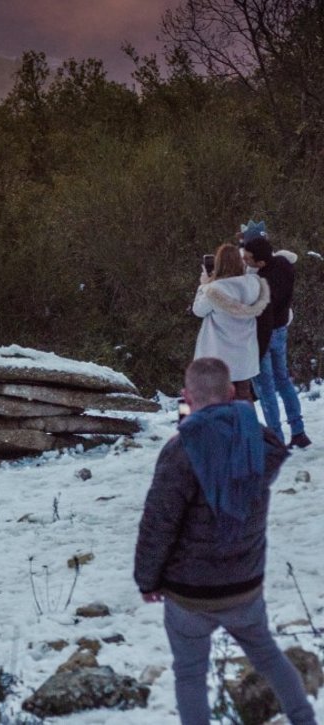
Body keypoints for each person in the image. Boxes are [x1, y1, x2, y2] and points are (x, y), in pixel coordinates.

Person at [134, 356, 316, 725]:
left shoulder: (180, 450)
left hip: (189, 593)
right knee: (268, 657)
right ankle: (304, 719)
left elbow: (159, 524)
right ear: (232, 392)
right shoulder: (258, 441)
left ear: (186, 395)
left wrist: (147, 580)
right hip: (244, 585)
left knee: (189, 676)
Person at [241, 228, 310, 449]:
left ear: (259, 262)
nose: (245, 261)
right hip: (281, 329)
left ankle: (276, 439)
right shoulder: (284, 265)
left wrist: (257, 351)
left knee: (266, 389)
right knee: (283, 381)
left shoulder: (260, 281)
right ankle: (298, 430)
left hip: (264, 334)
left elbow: (263, 316)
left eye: (248, 258)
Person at [192, 244, 267, 402]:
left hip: (221, 357)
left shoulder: (214, 289)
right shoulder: (254, 284)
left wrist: (203, 285)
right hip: (245, 355)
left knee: (221, 401)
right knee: (244, 397)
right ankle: (248, 426)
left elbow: (198, 310)